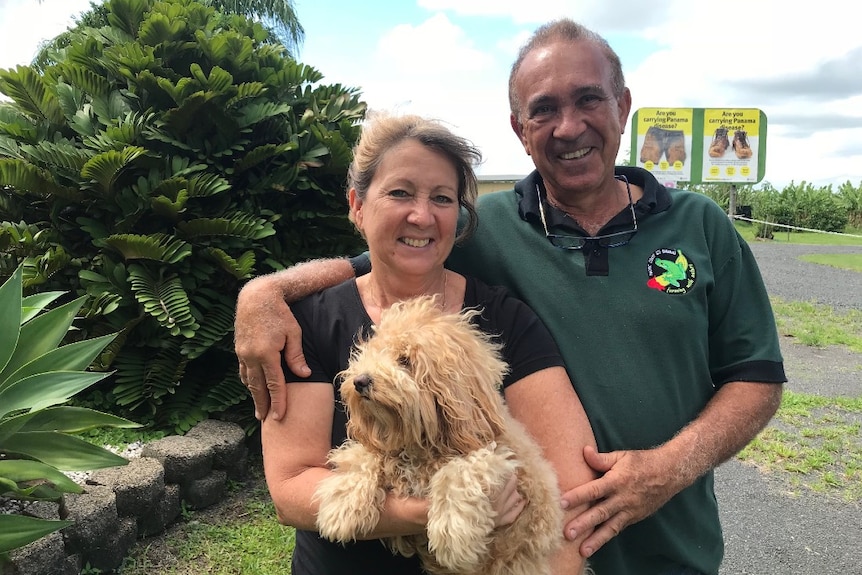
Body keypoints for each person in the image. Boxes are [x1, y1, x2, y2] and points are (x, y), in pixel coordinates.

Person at [236, 20, 786, 575]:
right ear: (520, 129)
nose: (569, 127)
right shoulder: (490, 228)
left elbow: (757, 376)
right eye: (544, 109)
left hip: (668, 544)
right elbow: (392, 256)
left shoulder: (701, 226)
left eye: (589, 99)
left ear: (622, 105)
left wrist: (668, 469)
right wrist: (266, 290)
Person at [257, 112, 597, 575]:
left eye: (442, 198)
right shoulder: (308, 322)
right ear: (357, 205)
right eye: (400, 192)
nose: (422, 215)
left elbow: (570, 494)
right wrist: (429, 511)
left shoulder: (505, 320)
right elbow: (291, 490)